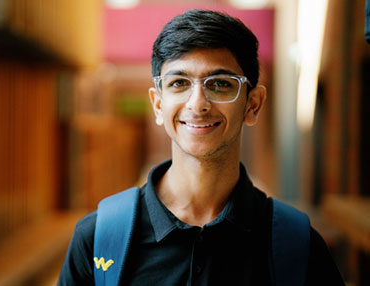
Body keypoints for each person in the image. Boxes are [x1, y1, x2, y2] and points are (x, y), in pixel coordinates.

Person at [58, 9, 345, 286]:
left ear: (253, 104)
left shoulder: (296, 245)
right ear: (158, 104)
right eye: (179, 83)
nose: (198, 104)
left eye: (220, 84)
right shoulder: (99, 239)